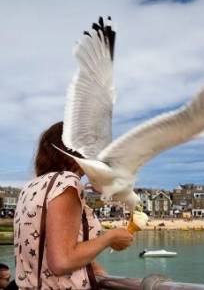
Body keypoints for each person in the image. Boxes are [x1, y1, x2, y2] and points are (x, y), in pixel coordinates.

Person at [14, 122, 133, 289]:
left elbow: (56, 243)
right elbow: (62, 262)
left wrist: (97, 271)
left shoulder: (31, 187)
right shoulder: (68, 183)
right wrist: (110, 238)